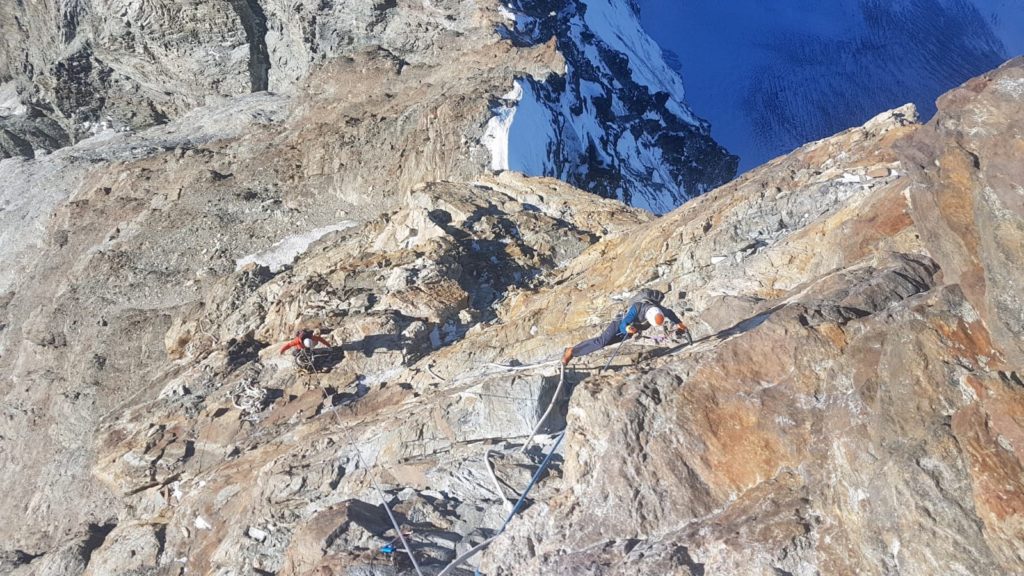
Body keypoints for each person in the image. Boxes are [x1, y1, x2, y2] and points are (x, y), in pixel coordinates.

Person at [562, 294, 687, 365]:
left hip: (631, 331)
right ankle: (572, 352)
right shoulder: (637, 308)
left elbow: (669, 313)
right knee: (602, 342)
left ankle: (574, 349)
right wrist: (627, 328)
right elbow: (623, 323)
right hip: (619, 324)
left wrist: (679, 323)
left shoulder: (659, 311)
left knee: (604, 342)